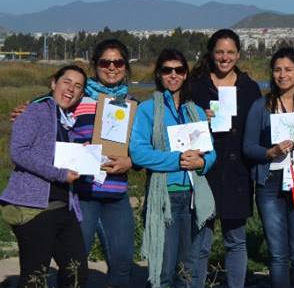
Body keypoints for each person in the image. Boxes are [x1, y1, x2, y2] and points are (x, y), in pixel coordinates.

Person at [130, 49, 217, 288]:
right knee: (164, 271)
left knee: (187, 270)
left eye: (179, 70)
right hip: (165, 197)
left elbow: (211, 152)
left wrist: (202, 163)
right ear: (159, 74)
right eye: (167, 70)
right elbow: (138, 152)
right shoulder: (148, 110)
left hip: (193, 196)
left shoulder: (196, 111)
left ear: (186, 74)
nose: (173, 75)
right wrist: (176, 160)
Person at [1, 65, 88, 287]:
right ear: (53, 83)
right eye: (66, 82)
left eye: (78, 86)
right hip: (34, 209)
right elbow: (19, 152)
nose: (71, 89)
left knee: (76, 272)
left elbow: (57, 156)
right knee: (34, 277)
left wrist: (83, 154)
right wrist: (59, 174)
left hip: (64, 208)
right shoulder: (35, 111)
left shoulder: (68, 121)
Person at [188, 29, 262, 287]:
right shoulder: (195, 87)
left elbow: (257, 130)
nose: (224, 57)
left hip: (237, 172)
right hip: (203, 171)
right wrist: (199, 118)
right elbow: (182, 127)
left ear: (238, 55)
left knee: (236, 240)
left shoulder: (249, 88)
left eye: (230, 52)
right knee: (201, 241)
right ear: (211, 53)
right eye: (219, 51)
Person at [242, 47, 294, 288]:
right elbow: (248, 146)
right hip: (270, 183)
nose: (282, 75)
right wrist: (270, 152)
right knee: (277, 255)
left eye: (288, 69)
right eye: (277, 69)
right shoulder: (261, 106)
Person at [71, 39, 138, 287]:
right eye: (105, 62)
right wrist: (27, 110)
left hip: (116, 194)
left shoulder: (132, 104)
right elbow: (47, 116)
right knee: (75, 263)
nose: (112, 67)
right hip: (83, 193)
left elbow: (141, 147)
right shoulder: (77, 98)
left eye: (118, 62)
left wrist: (130, 162)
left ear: (125, 66)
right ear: (95, 65)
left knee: (122, 263)